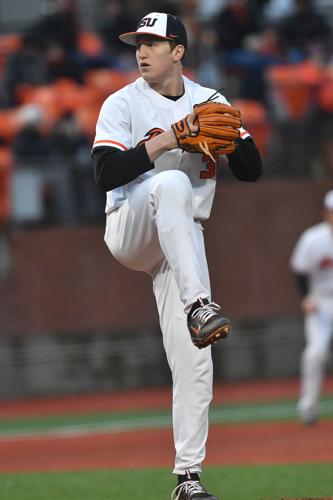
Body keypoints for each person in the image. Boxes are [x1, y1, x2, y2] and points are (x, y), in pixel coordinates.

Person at [92, 12, 262, 499]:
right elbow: (106, 173)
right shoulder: (122, 103)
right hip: (131, 226)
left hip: (181, 241)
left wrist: (232, 138)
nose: (141, 51)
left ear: (179, 51)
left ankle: (188, 479)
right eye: (137, 44)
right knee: (169, 181)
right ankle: (199, 305)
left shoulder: (210, 101)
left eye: (152, 42)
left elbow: (251, 171)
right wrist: (170, 138)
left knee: (196, 360)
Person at [290, 190, 333, 425]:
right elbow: (299, 272)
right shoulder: (313, 238)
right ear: (326, 213)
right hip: (322, 301)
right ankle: (308, 408)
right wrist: (305, 297)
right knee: (316, 353)